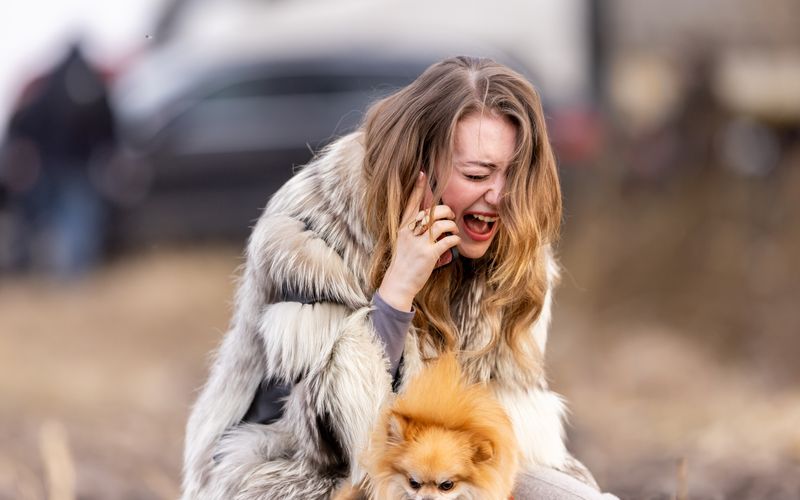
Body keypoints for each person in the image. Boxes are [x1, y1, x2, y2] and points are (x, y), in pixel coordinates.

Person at [182, 56, 617, 499]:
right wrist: (398, 290)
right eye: (476, 174)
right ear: (418, 166)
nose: (499, 196)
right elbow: (324, 439)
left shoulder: (515, 246)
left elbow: (500, 432)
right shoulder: (314, 230)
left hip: (438, 474)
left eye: (513, 175)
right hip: (291, 472)